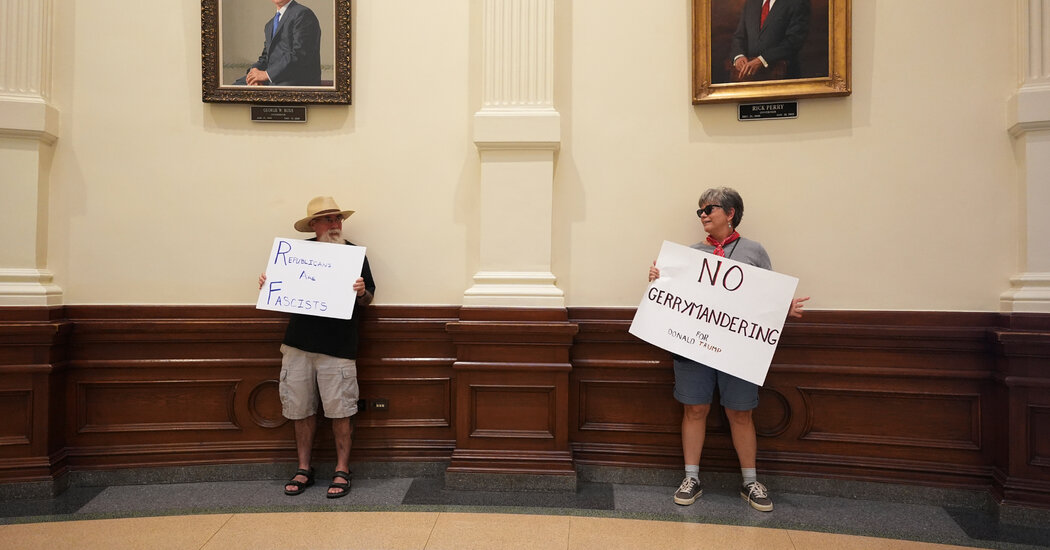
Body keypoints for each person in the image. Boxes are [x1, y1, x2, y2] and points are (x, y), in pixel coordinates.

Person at [647, 187, 808, 512]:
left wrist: (783, 306)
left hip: (739, 349)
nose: (703, 215)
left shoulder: (753, 251)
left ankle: (750, 482)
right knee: (694, 410)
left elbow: (765, 296)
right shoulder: (688, 256)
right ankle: (691, 478)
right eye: (700, 211)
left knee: (741, 412)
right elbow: (674, 300)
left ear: (731, 212)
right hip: (693, 346)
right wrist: (658, 281)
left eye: (709, 209)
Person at [258, 196, 375, 498]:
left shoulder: (354, 255)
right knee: (300, 410)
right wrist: (269, 285)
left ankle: (342, 469)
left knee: (341, 411)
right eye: (328, 219)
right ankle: (303, 468)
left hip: (338, 348)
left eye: (338, 218)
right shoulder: (296, 255)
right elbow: (280, 290)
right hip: (298, 346)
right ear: (314, 225)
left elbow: (368, 298)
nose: (335, 224)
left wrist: (362, 292)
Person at [234, 0, 322, 86]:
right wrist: (253, 73)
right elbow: (265, 57)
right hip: (273, 79)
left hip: (296, 81)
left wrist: (266, 75)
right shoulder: (270, 24)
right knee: (232, 89)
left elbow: (300, 55)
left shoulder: (303, 14)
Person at [728, 0, 811, 81]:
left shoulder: (798, 2)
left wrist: (762, 60)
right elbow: (739, 36)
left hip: (783, 78)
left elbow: (794, 41)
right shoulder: (751, 2)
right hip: (749, 79)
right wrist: (739, 56)